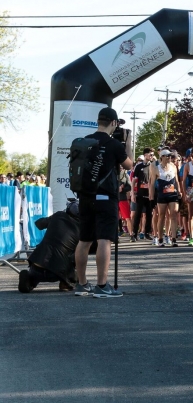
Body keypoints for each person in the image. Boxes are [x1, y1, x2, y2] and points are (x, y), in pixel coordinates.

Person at [74, 107, 133, 298]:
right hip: (106, 197)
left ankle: (81, 284)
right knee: (104, 240)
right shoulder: (114, 144)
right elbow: (129, 165)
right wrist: (128, 141)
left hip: (85, 197)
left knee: (84, 240)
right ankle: (101, 285)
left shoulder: (85, 142)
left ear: (98, 121)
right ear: (114, 123)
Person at [18, 201, 81, 293]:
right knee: (78, 253)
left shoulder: (59, 215)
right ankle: (66, 282)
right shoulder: (83, 229)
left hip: (37, 265)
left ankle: (30, 279)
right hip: (58, 272)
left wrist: (53, 218)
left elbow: (39, 224)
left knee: (36, 269)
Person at [150, 149, 181, 247]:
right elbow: (151, 183)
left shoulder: (173, 166)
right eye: (167, 156)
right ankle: (160, 238)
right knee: (161, 216)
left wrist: (179, 191)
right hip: (162, 195)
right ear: (162, 157)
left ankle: (174, 238)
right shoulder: (156, 168)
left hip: (172, 194)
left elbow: (176, 180)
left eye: (170, 156)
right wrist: (151, 196)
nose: (169, 158)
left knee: (173, 214)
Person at [131, 147, 155, 242]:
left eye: (153, 155)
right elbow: (134, 180)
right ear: (145, 155)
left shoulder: (153, 166)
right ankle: (134, 234)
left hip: (150, 194)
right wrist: (133, 193)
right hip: (140, 194)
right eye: (151, 155)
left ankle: (147, 233)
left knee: (149, 214)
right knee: (138, 214)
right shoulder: (139, 166)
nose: (152, 156)